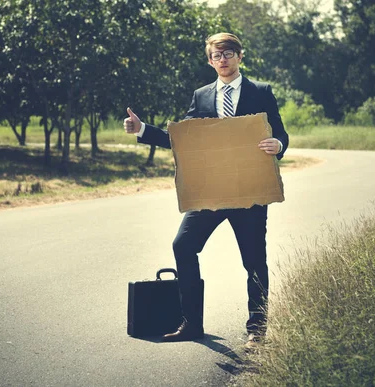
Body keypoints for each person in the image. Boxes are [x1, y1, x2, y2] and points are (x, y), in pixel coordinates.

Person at [123, 33, 289, 344]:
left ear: (240, 56)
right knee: (183, 245)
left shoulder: (261, 92)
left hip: (248, 192)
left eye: (228, 53)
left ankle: (257, 329)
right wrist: (142, 129)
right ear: (210, 61)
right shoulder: (201, 96)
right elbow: (184, 138)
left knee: (253, 260)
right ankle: (191, 325)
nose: (223, 59)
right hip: (209, 193)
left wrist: (278, 144)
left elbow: (280, 131)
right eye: (216, 55)